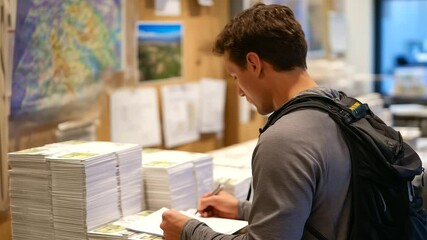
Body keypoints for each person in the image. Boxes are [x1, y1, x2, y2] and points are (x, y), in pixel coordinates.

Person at [160, 3, 351, 239]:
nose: (240, 91)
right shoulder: (343, 109)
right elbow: (323, 213)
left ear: (253, 63)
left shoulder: (284, 140)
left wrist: (188, 231)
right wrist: (243, 210)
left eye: (235, 76)